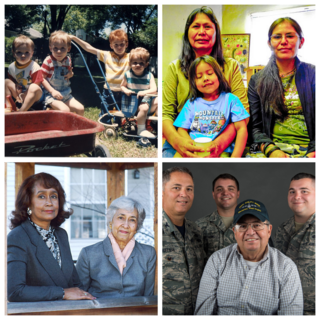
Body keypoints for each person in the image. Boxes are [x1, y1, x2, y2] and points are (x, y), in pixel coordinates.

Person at [163, 6, 249, 157]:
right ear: (187, 33)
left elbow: (243, 114)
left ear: (216, 32)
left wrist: (220, 143)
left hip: (223, 142)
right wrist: (179, 142)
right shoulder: (174, 68)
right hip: (183, 140)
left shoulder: (231, 66)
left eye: (207, 27)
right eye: (196, 26)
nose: (201, 32)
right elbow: (166, 115)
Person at [195, 199, 303, 315]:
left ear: (269, 230)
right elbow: (203, 313)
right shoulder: (217, 260)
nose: (250, 232)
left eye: (257, 225)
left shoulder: (286, 268)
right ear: (235, 233)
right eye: (242, 226)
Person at [7, 172, 95, 302]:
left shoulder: (61, 235)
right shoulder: (18, 237)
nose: (49, 203)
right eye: (41, 196)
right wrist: (62, 293)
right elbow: (15, 292)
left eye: (54, 196)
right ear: (28, 202)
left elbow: (75, 284)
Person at [247, 17, 315, 158]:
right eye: (277, 37)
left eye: (290, 36)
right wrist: (272, 151)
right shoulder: (257, 80)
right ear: (269, 43)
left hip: (310, 149)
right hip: (271, 148)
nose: (284, 41)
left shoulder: (314, 74)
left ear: (301, 42)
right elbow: (255, 128)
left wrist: (312, 154)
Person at [76, 196, 156, 298]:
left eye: (132, 220)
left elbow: (149, 297)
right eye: (121, 218)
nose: (126, 225)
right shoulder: (88, 254)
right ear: (111, 222)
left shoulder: (147, 254)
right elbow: (80, 296)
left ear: (137, 226)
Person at [173, 56, 249, 157]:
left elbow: (241, 129)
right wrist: (192, 148)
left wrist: (235, 158)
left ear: (218, 75)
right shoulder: (191, 103)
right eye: (199, 77)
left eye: (210, 73)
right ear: (194, 83)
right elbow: (181, 130)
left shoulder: (231, 100)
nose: (205, 78)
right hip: (194, 149)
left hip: (222, 150)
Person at [162, 167, 205, 315]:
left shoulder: (196, 231)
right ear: (161, 192)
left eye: (189, 189)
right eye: (176, 188)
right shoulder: (152, 231)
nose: (184, 194)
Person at [275, 173, 315, 315]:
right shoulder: (282, 229)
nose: (297, 197)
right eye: (292, 192)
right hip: (286, 310)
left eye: (304, 191)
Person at [70, 29, 130, 113]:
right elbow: (88, 48)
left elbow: (142, 55)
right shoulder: (107, 55)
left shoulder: (131, 57)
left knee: (121, 116)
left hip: (124, 92)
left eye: (122, 44)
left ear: (126, 44)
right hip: (108, 91)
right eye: (116, 45)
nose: (119, 47)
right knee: (105, 114)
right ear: (111, 46)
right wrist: (74, 38)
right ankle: (105, 125)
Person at [196, 174, 239, 261]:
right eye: (219, 189)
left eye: (230, 189)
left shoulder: (252, 225)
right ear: (213, 194)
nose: (225, 193)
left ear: (238, 193)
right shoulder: (199, 226)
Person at [41, 30, 84, 115]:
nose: (59, 51)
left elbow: (70, 72)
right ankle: (63, 128)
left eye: (62, 48)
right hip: (51, 96)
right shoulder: (48, 61)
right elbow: (41, 78)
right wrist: (52, 91)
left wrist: (71, 74)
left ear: (68, 48)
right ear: (50, 48)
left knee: (80, 108)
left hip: (66, 94)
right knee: (65, 110)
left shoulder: (68, 60)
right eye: (55, 48)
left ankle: (77, 128)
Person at [121, 47, 158, 138]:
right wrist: (126, 90)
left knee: (159, 101)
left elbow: (154, 89)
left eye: (141, 63)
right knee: (144, 108)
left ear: (146, 65)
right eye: (135, 63)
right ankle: (141, 130)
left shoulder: (149, 75)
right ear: (130, 64)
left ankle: (156, 123)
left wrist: (145, 92)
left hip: (146, 100)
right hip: (132, 104)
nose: (138, 65)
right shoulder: (127, 75)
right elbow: (122, 86)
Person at [5, 35, 44, 111]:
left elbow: (37, 85)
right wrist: (17, 88)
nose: (23, 55)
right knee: (5, 82)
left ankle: (21, 111)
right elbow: (13, 82)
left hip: (35, 96)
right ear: (13, 53)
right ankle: (8, 107)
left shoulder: (35, 67)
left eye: (27, 52)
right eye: (19, 52)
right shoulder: (11, 67)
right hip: (20, 95)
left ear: (32, 53)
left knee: (33, 87)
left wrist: (23, 95)